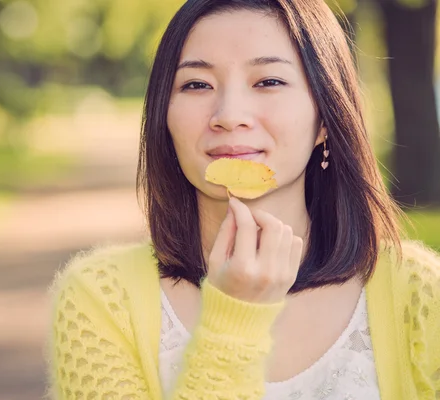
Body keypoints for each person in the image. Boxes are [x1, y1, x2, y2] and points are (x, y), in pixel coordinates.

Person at [47, 0, 440, 398]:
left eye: (268, 81)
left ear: (325, 117)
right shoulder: (101, 299)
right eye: (197, 84)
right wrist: (233, 321)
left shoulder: (419, 294)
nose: (230, 114)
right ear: (164, 117)